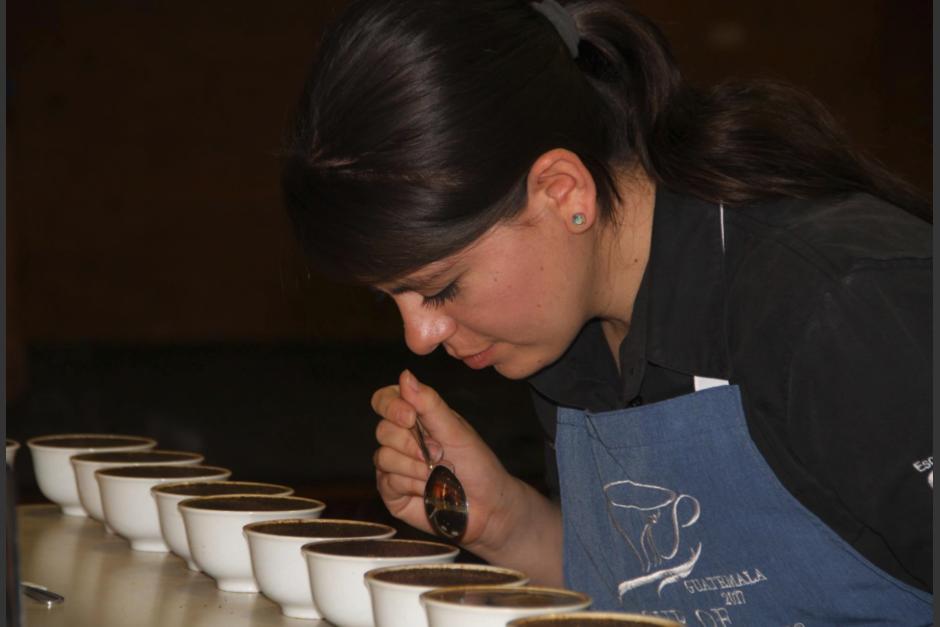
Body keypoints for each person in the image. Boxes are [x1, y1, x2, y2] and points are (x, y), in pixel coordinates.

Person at [281, 0, 932, 623]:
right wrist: (509, 523)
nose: (419, 337)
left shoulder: (843, 308)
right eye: (388, 297)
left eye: (443, 286)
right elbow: (670, 596)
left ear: (562, 191)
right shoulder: (577, 345)